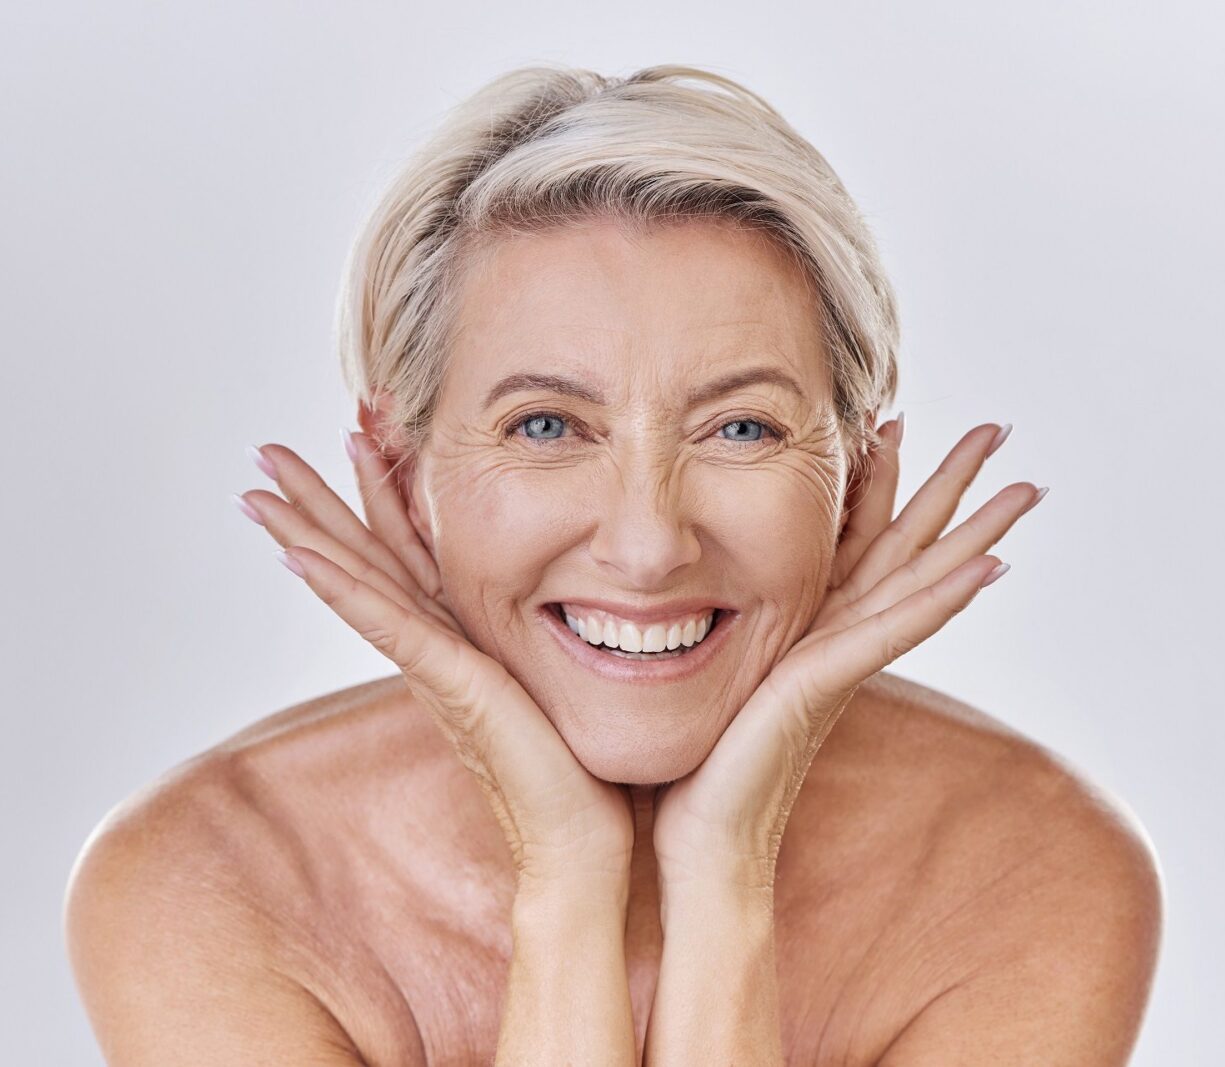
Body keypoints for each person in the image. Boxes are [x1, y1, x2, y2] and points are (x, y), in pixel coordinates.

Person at [64, 64, 1162, 1065]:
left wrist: (724, 880)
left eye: (741, 429)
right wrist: (567, 875)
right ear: (402, 472)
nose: (647, 546)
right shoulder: (205, 880)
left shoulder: (1029, 868)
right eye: (545, 426)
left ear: (858, 484)